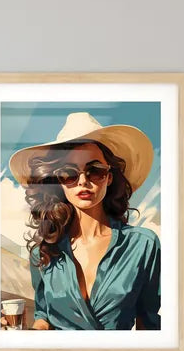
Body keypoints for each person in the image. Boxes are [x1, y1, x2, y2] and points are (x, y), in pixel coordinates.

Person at [8, 112, 160, 331]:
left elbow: (150, 325)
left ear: (109, 176)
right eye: (69, 173)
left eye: (95, 171)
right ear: (58, 181)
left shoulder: (143, 245)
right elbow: (43, 316)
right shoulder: (42, 253)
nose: (83, 181)